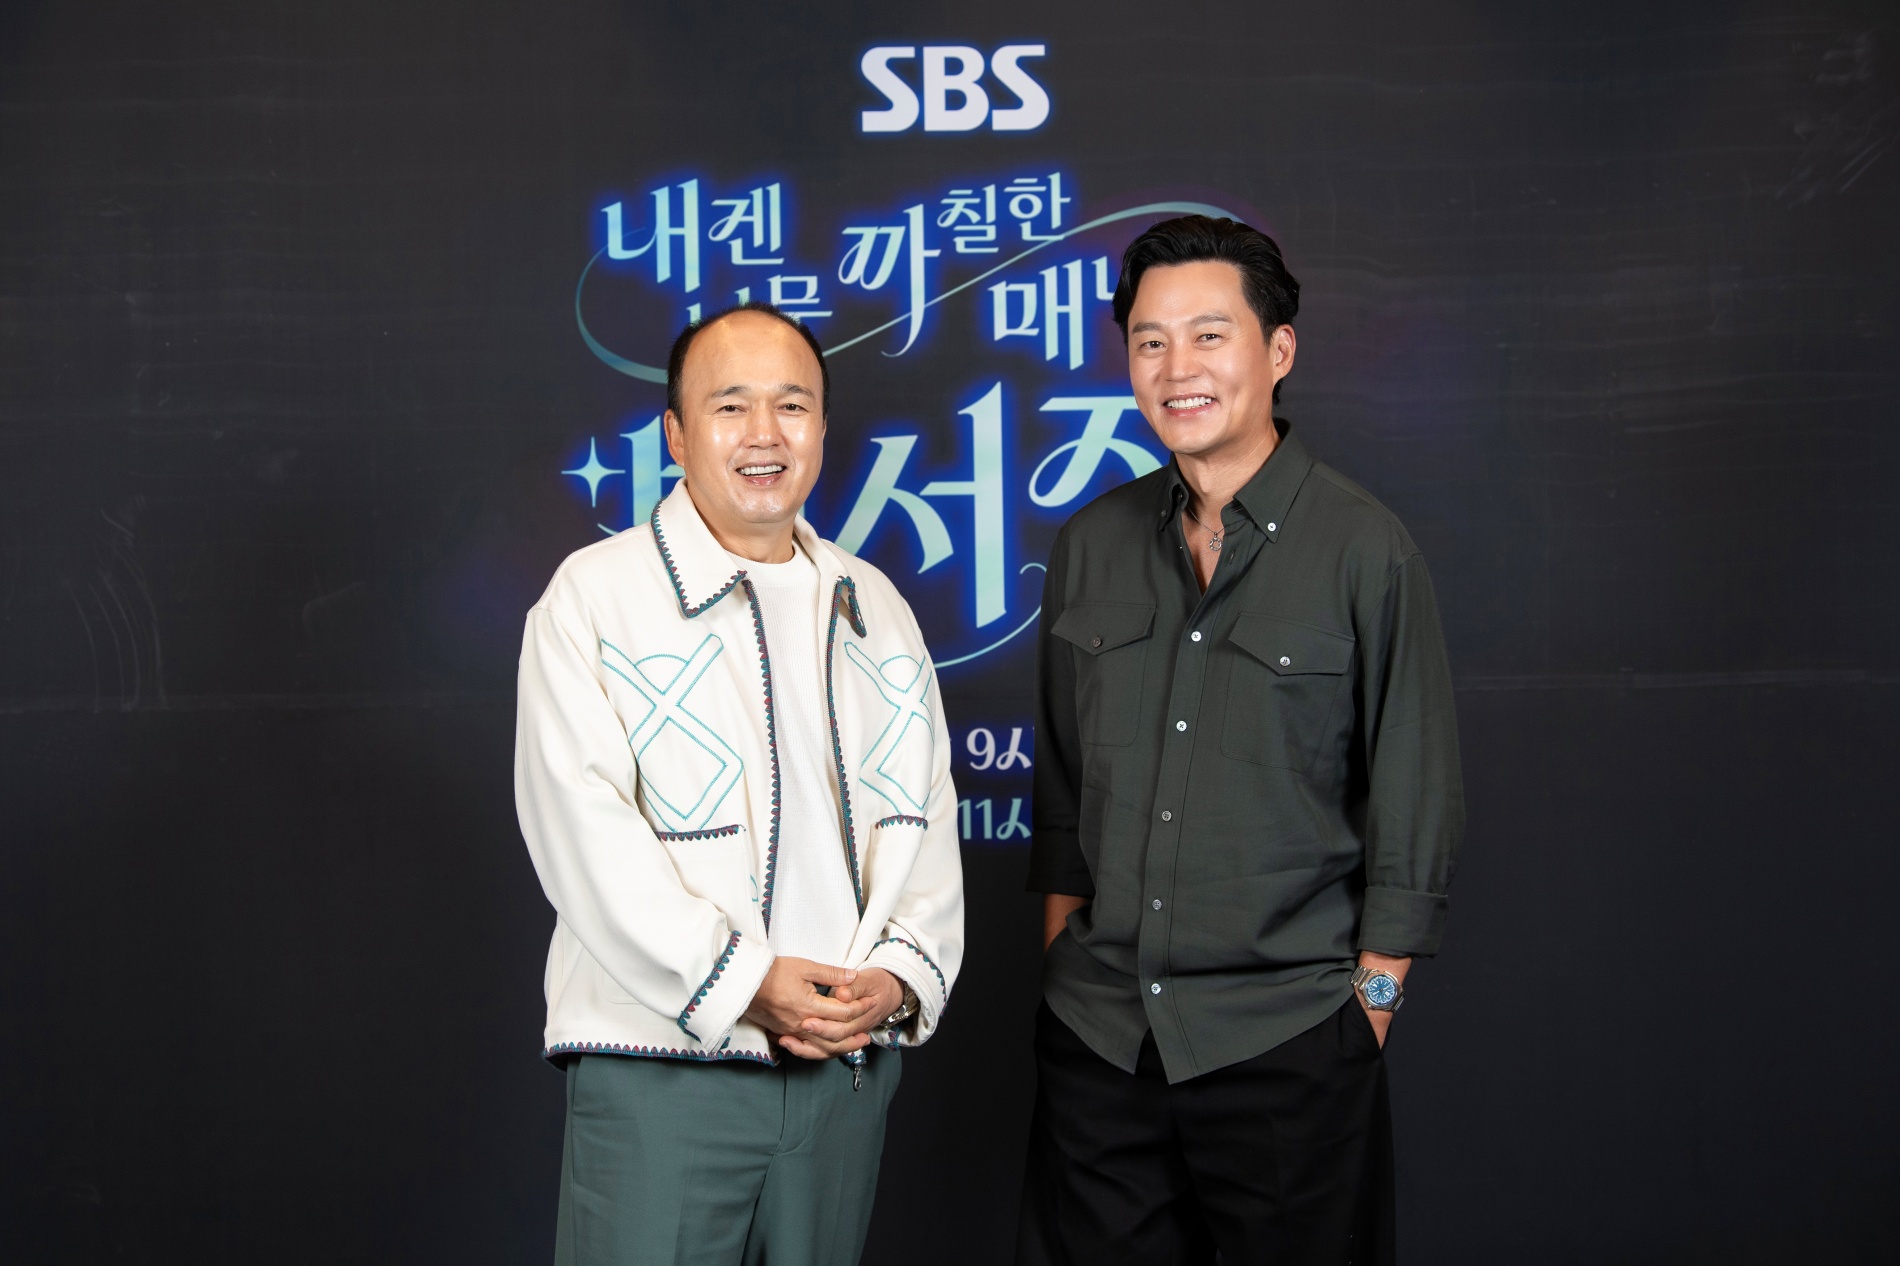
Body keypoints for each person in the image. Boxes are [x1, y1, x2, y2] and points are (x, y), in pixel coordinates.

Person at [1019, 216, 1463, 1265]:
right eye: (1149, 340)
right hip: (1102, 1046)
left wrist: (1367, 1011)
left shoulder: (1364, 549)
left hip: (1289, 1045)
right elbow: (1065, 799)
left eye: (1209, 335)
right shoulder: (1090, 545)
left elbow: (1415, 795)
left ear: (1279, 349)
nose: (1177, 369)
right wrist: (1065, 972)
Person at [515, 303, 964, 1266]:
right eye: (730, 407)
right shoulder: (593, 597)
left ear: (822, 428)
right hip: (663, 1074)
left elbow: (928, 820)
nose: (765, 434)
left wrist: (897, 976)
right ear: (677, 434)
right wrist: (745, 982)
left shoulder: (877, 605)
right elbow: (580, 831)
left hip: (843, 1072)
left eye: (792, 405)